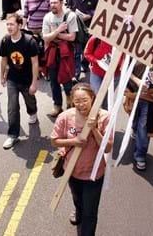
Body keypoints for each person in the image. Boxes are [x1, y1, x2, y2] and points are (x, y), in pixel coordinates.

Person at [51, 83, 113, 236]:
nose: (81, 104)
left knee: (90, 213)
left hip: (94, 174)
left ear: (92, 98)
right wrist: (73, 141)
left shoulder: (104, 116)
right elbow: (54, 140)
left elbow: (107, 147)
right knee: (78, 200)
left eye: (84, 100)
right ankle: (78, 211)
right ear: (72, 101)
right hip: (72, 172)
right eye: (77, 101)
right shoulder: (65, 117)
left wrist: (93, 128)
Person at [123, 45, 153, 171]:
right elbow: (124, 67)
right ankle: (134, 129)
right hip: (133, 91)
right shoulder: (134, 45)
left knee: (144, 126)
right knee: (134, 118)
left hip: (150, 95)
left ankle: (140, 155)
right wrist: (137, 81)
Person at [0, 14, 39, 149]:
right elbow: (4, 59)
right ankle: (13, 135)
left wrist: (34, 83)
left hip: (27, 79)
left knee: (30, 101)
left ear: (20, 26)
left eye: (12, 24)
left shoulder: (29, 42)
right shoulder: (5, 41)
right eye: (7, 24)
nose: (9, 27)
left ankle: (33, 112)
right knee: (12, 107)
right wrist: (2, 75)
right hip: (12, 79)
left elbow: (35, 63)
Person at [43, 0, 78, 117]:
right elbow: (46, 38)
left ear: (62, 3)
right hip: (52, 52)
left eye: (55, 2)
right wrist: (58, 31)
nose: (52, 5)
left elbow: (72, 37)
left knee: (67, 80)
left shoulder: (70, 16)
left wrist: (53, 33)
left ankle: (70, 104)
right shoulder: (47, 17)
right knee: (53, 81)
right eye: (51, 3)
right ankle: (57, 105)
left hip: (66, 53)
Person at [67, 0, 98, 80]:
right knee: (77, 51)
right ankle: (76, 73)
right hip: (76, 28)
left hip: (88, 28)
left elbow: (98, 10)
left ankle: (85, 65)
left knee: (87, 48)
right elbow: (69, 8)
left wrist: (89, 15)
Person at [83, 37, 122, 109]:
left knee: (106, 100)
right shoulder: (95, 39)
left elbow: (124, 61)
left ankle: (104, 118)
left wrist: (115, 63)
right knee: (97, 97)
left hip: (113, 76)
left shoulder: (123, 42)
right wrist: (97, 61)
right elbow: (87, 54)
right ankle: (94, 117)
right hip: (96, 73)